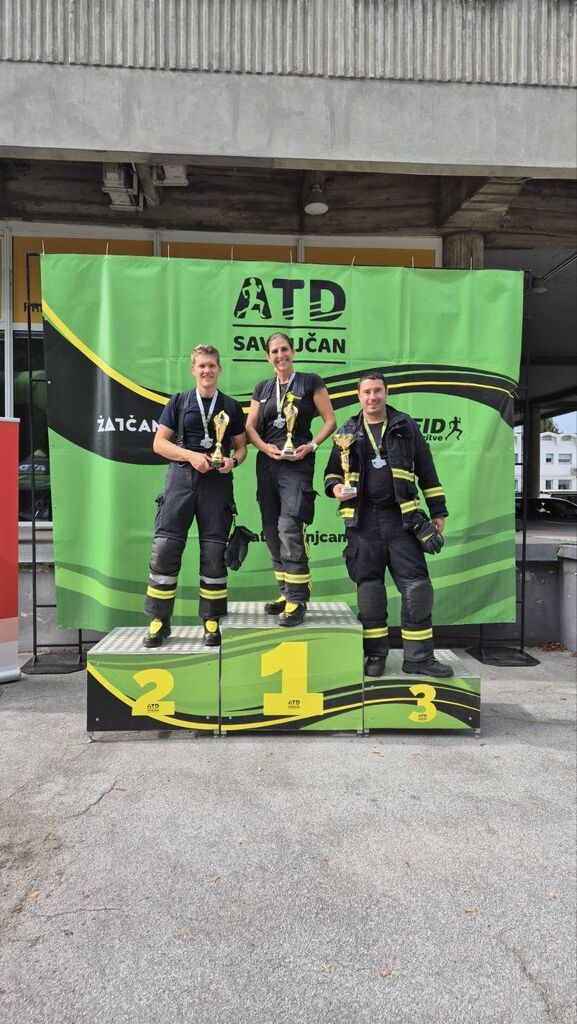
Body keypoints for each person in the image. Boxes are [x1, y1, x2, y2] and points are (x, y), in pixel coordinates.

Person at [323, 373, 453, 678]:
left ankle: (419, 658)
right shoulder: (347, 431)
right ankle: (375, 656)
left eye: (377, 391)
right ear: (359, 396)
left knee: (418, 590)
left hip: (402, 520)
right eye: (367, 392)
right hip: (363, 523)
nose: (372, 397)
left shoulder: (405, 426)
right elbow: (331, 473)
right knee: (370, 593)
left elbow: (427, 469)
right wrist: (336, 488)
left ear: (386, 392)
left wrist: (437, 510)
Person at [143, 345, 247, 648]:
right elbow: (159, 444)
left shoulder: (231, 406)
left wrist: (232, 461)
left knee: (214, 555)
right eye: (202, 366)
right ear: (193, 370)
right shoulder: (178, 402)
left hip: (216, 485)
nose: (207, 371)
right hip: (181, 481)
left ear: (219, 370)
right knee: (165, 549)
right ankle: (159, 620)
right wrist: (190, 455)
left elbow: (242, 447)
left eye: (212, 365)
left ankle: (211, 620)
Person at [245, 332, 336, 626]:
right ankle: (285, 592)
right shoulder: (262, 387)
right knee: (271, 530)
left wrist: (311, 446)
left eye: (284, 349)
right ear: (267, 357)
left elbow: (330, 420)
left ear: (293, 352)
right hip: (267, 464)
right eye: (274, 351)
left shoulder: (310, 381)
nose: (280, 355)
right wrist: (264, 447)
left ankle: (298, 599)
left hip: (297, 464)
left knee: (289, 526)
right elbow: (250, 426)